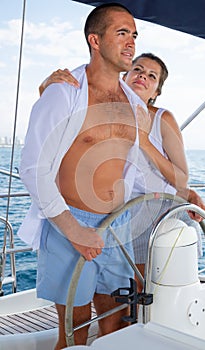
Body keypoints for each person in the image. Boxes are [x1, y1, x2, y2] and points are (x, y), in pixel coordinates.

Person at [18, 4, 147, 348]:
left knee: (115, 320)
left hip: (118, 225)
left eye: (134, 35)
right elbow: (33, 167)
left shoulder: (134, 103)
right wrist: (73, 230)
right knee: (73, 329)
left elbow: (134, 168)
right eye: (122, 33)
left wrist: (184, 195)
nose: (131, 42)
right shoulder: (64, 93)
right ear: (95, 40)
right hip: (71, 222)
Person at [39, 53, 205, 288]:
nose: (143, 77)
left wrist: (145, 141)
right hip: (122, 214)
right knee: (136, 292)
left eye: (152, 76)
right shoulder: (105, 112)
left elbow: (182, 179)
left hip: (161, 213)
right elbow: (61, 125)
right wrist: (46, 88)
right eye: (138, 70)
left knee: (162, 291)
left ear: (156, 91)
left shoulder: (162, 119)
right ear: (125, 76)